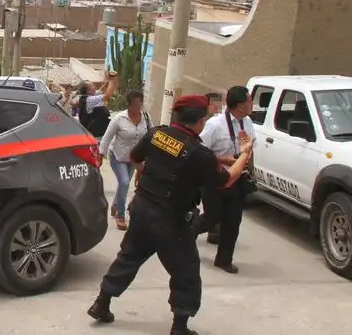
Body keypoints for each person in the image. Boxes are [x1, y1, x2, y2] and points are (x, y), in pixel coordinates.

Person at [87, 95, 254, 335]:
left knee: (128, 257)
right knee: (186, 270)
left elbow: (135, 159)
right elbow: (226, 181)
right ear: (201, 120)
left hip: (143, 208)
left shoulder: (157, 134)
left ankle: (101, 303)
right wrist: (245, 154)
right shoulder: (198, 153)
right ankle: (180, 326)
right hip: (171, 219)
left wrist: (151, 176)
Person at [192, 86, 256, 272]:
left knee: (233, 221)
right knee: (212, 218)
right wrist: (222, 159)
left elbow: (251, 147)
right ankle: (188, 233)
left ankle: (224, 259)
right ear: (239, 105)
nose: (252, 104)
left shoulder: (248, 123)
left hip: (238, 178)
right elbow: (199, 150)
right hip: (217, 178)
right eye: (249, 101)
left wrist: (249, 162)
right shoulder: (215, 125)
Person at [98, 89, 152, 230]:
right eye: (135, 104)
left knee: (124, 185)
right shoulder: (119, 119)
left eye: (140, 103)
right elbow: (106, 138)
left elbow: (151, 135)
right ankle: (120, 215)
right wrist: (100, 155)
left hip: (135, 158)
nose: (138, 107)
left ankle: (116, 204)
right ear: (128, 104)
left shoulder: (145, 117)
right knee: (124, 181)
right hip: (118, 156)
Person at [77, 74, 118, 138]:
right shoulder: (89, 100)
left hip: (97, 131)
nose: (95, 86)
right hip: (95, 134)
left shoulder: (88, 96)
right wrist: (112, 81)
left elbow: (101, 90)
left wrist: (109, 79)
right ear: (87, 90)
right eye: (92, 85)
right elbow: (107, 96)